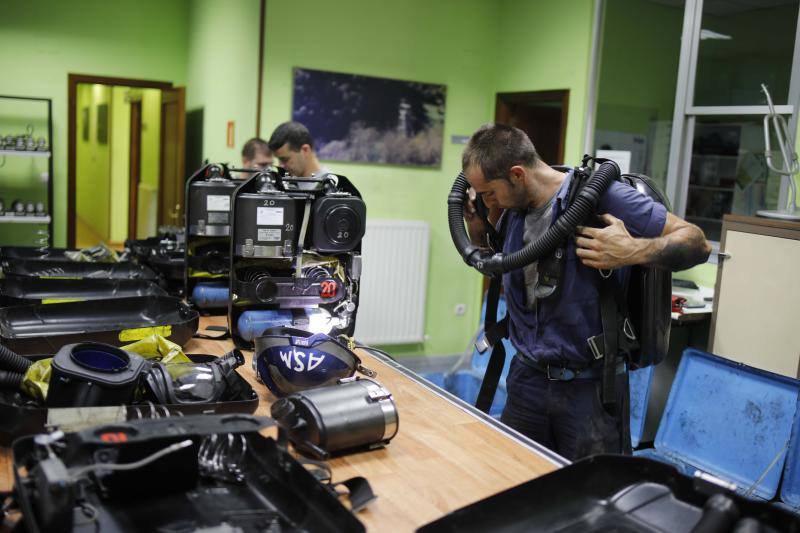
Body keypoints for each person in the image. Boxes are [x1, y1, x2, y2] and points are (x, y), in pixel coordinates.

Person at [461, 124, 711, 461]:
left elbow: (696, 241)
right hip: (527, 380)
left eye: (489, 192)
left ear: (517, 174)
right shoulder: (514, 211)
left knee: (590, 498)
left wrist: (633, 250)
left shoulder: (598, 197)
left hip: (588, 390)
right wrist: (476, 224)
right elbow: (497, 263)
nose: (487, 201)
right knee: (518, 486)